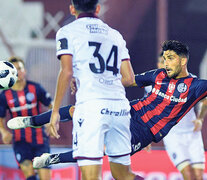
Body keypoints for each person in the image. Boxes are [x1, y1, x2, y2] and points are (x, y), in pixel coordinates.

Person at [8, 40, 207, 178]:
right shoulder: (158, 74)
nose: (165, 63)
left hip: (145, 132)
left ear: (183, 60)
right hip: (128, 111)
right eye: (164, 58)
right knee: (79, 109)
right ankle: (31, 121)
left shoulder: (196, 87)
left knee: (107, 158)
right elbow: (129, 81)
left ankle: (51, 159)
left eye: (170, 58)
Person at [49, 0, 139, 179]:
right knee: (124, 174)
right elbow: (129, 79)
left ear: (72, 8)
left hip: (91, 107)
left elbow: (66, 71)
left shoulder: (67, 31)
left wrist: (55, 111)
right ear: (98, 8)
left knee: (90, 175)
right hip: (120, 107)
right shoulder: (115, 35)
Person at [145, 52, 207, 180]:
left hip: (192, 133)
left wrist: (200, 119)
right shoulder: (151, 85)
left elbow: (204, 100)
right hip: (173, 136)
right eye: (161, 62)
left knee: (199, 177)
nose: (163, 65)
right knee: (188, 175)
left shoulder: (189, 80)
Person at [0, 57, 53, 180]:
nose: (17, 72)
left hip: (40, 139)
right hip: (20, 141)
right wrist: (3, 132)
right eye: (14, 69)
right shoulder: (4, 96)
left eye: (20, 68)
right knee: (30, 176)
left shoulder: (36, 88)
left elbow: (52, 105)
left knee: (45, 177)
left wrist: (51, 121)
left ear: (25, 70)